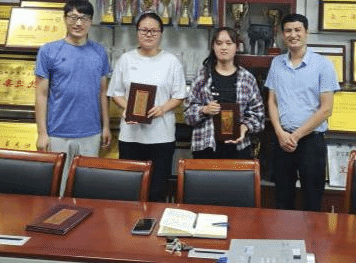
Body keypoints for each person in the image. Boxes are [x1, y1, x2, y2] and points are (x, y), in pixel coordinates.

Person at [264, 13, 339, 211]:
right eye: (288, 30)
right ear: (282, 35)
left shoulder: (324, 65)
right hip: (282, 140)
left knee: (312, 201)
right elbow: (272, 101)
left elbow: (326, 109)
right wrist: (280, 133)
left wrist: (296, 136)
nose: (293, 35)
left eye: (298, 30)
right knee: (282, 199)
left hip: (311, 142)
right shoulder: (277, 63)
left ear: (307, 33)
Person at [108, 12, 186, 201]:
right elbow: (115, 93)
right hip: (131, 136)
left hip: (161, 137)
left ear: (161, 34)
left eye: (153, 31)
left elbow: (179, 95)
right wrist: (128, 108)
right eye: (144, 30)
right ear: (137, 32)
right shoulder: (125, 59)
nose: (149, 34)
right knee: (129, 190)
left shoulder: (171, 61)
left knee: (157, 191)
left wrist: (162, 109)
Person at [35, 0, 111, 191]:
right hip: (58, 132)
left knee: (86, 189)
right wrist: (42, 133)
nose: (78, 23)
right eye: (73, 17)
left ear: (90, 21)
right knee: (57, 189)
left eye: (84, 18)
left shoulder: (99, 52)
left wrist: (106, 126)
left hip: (91, 132)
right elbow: (41, 94)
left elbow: (103, 92)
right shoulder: (48, 51)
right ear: (64, 19)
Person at [184, 27, 265, 159]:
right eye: (219, 43)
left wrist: (244, 127)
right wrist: (204, 110)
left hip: (239, 148)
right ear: (213, 46)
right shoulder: (202, 77)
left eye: (229, 43)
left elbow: (259, 116)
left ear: (236, 47)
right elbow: (187, 115)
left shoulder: (247, 78)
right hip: (206, 147)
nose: (224, 47)